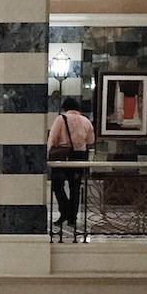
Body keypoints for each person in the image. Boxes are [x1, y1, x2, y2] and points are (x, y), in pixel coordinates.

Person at [47, 97, 95, 229]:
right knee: (75, 188)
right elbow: (90, 140)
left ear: (64, 107)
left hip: (62, 157)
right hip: (79, 156)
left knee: (57, 186)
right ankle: (72, 217)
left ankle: (65, 211)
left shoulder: (60, 119)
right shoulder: (86, 121)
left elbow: (52, 139)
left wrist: (48, 154)